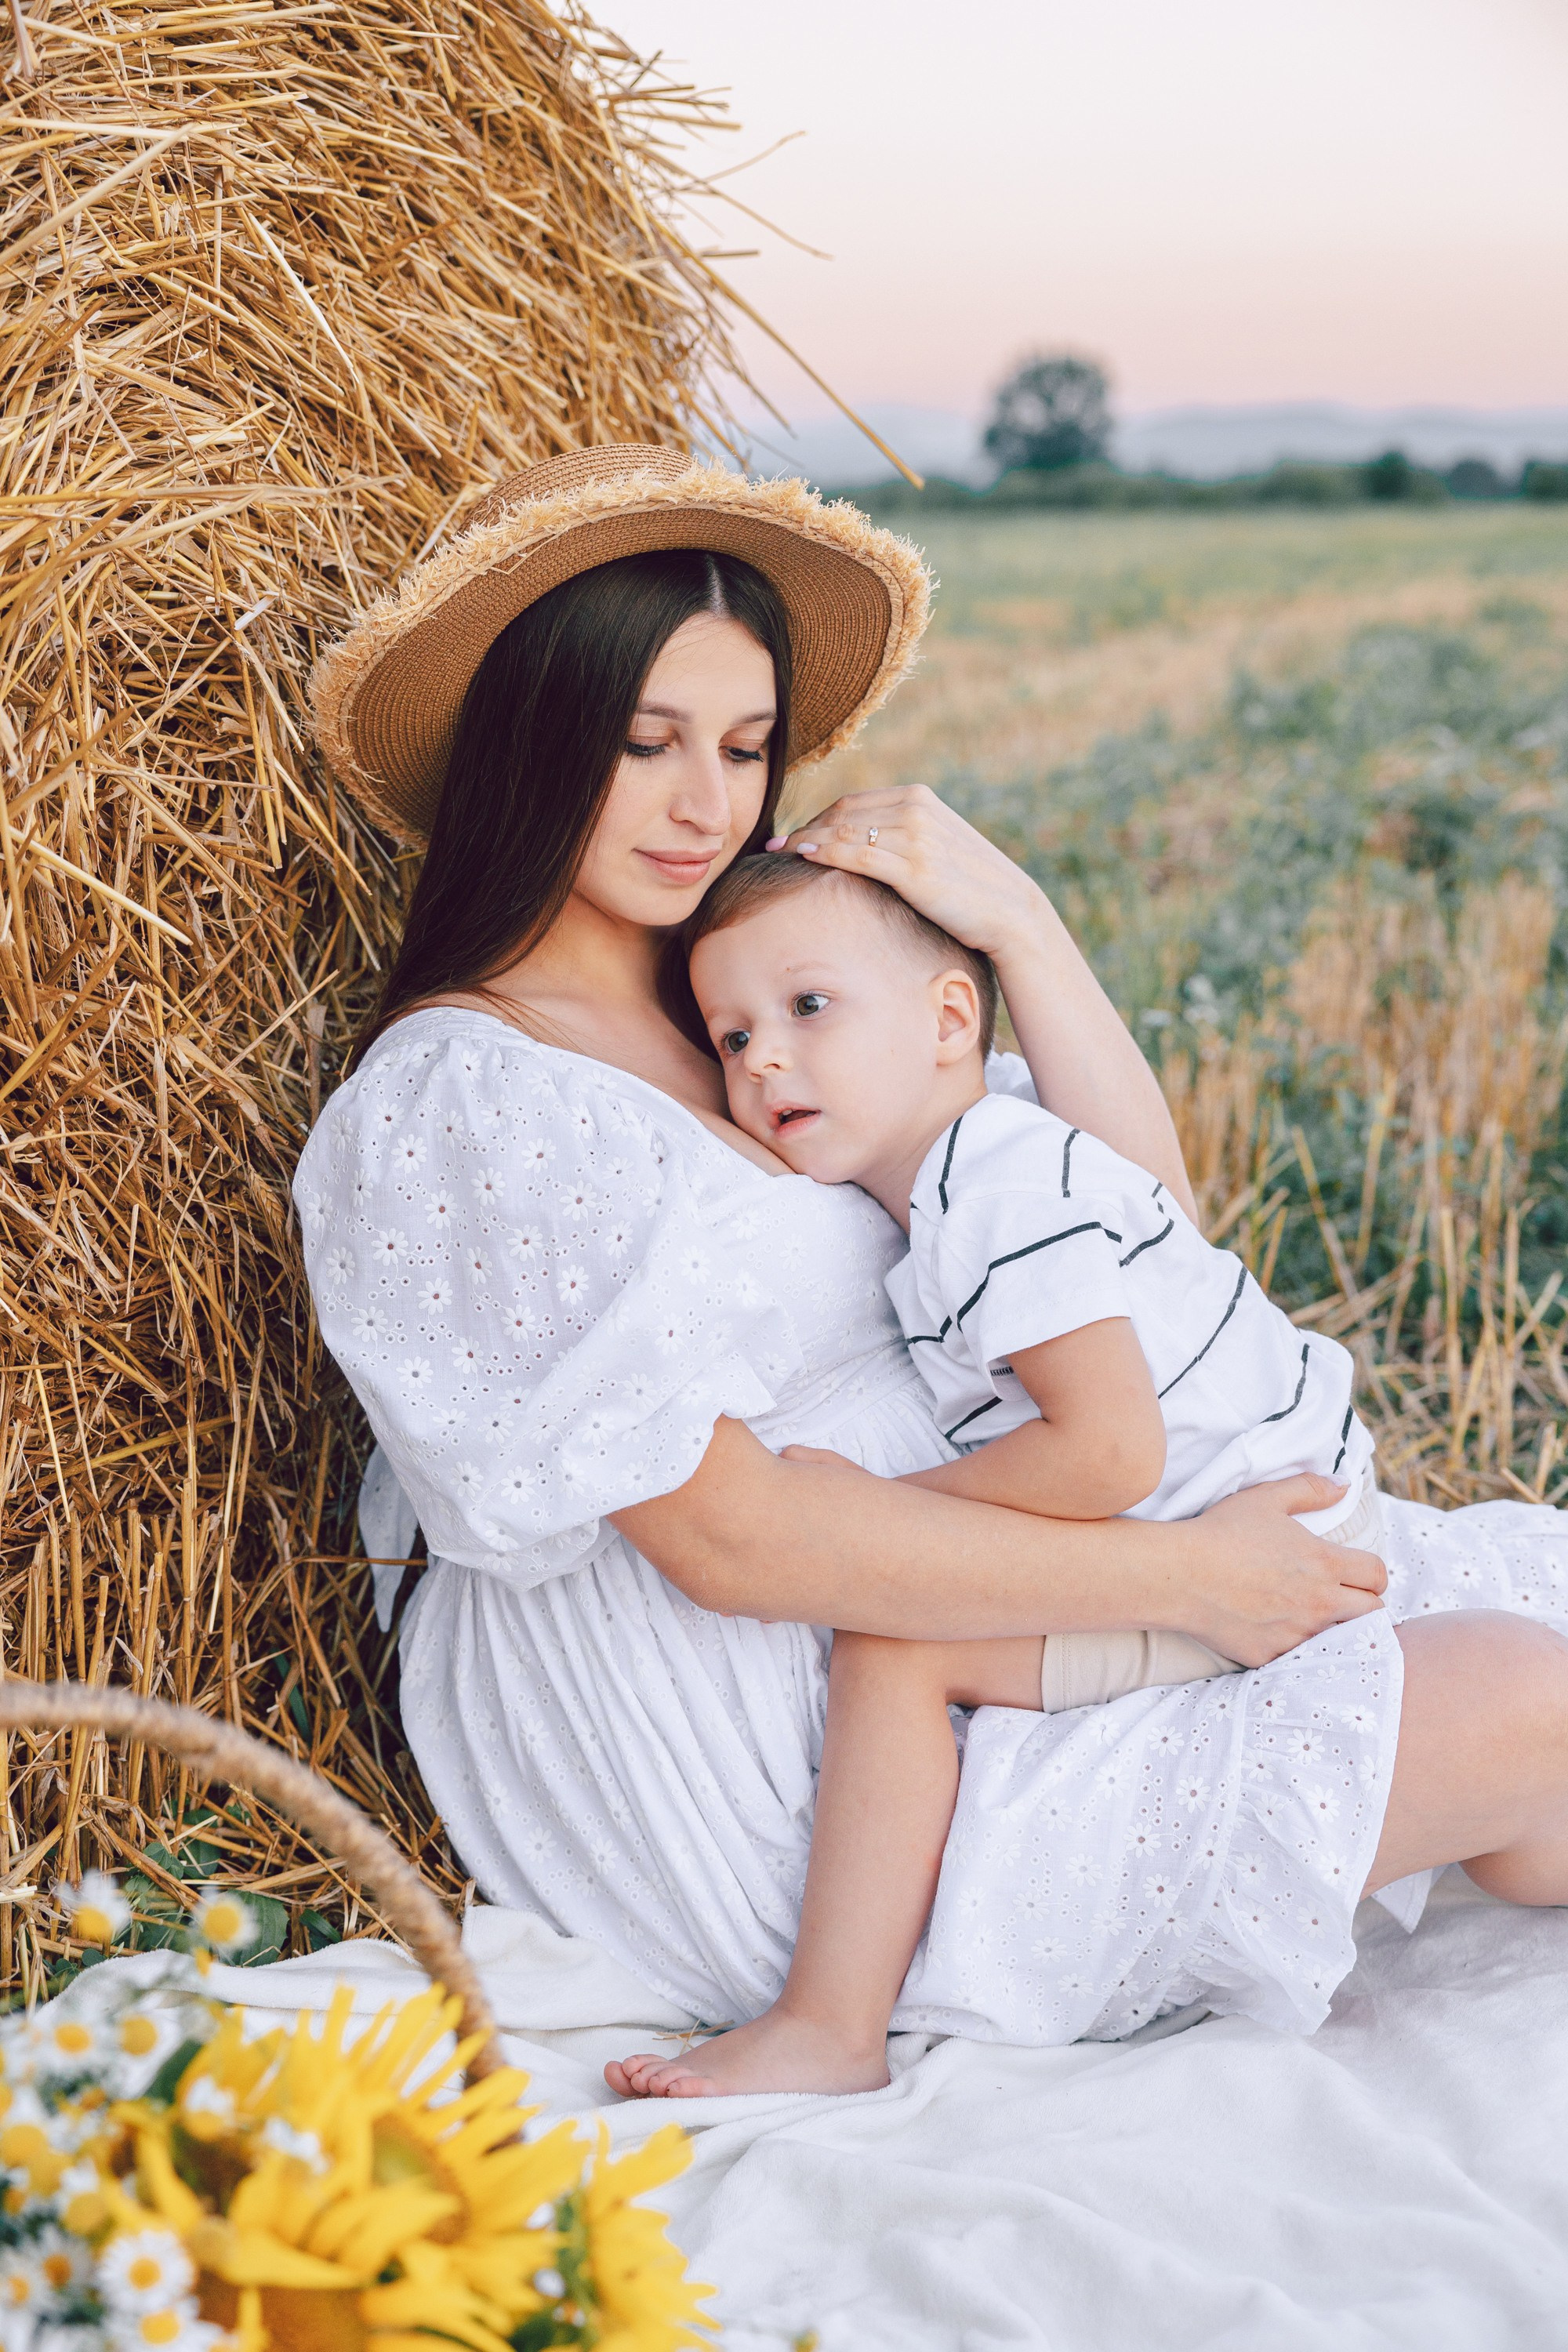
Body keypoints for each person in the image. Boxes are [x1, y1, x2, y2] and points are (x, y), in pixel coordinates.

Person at [296, 445, 1568, 2105]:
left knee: (1530, 1669)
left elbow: (1129, 1234)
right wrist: (1182, 1584)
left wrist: (1019, 931)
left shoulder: (758, 1008)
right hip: (800, 1765)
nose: (711, 808)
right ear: (534, 744)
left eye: (748, 750)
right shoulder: (472, 1099)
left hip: (986, 1630)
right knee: (1536, 1697)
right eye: (646, 744)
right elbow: (733, 1539)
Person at [607, 851, 1397, 2096]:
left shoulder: (995, 1198)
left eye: (807, 1008)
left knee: (896, 1642)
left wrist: (879, 1515)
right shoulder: (963, 1178)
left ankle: (830, 2027)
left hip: (1266, 1536)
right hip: (1244, 1501)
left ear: (950, 1020)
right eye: (732, 1034)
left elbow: (1107, 1451)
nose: (760, 1058)